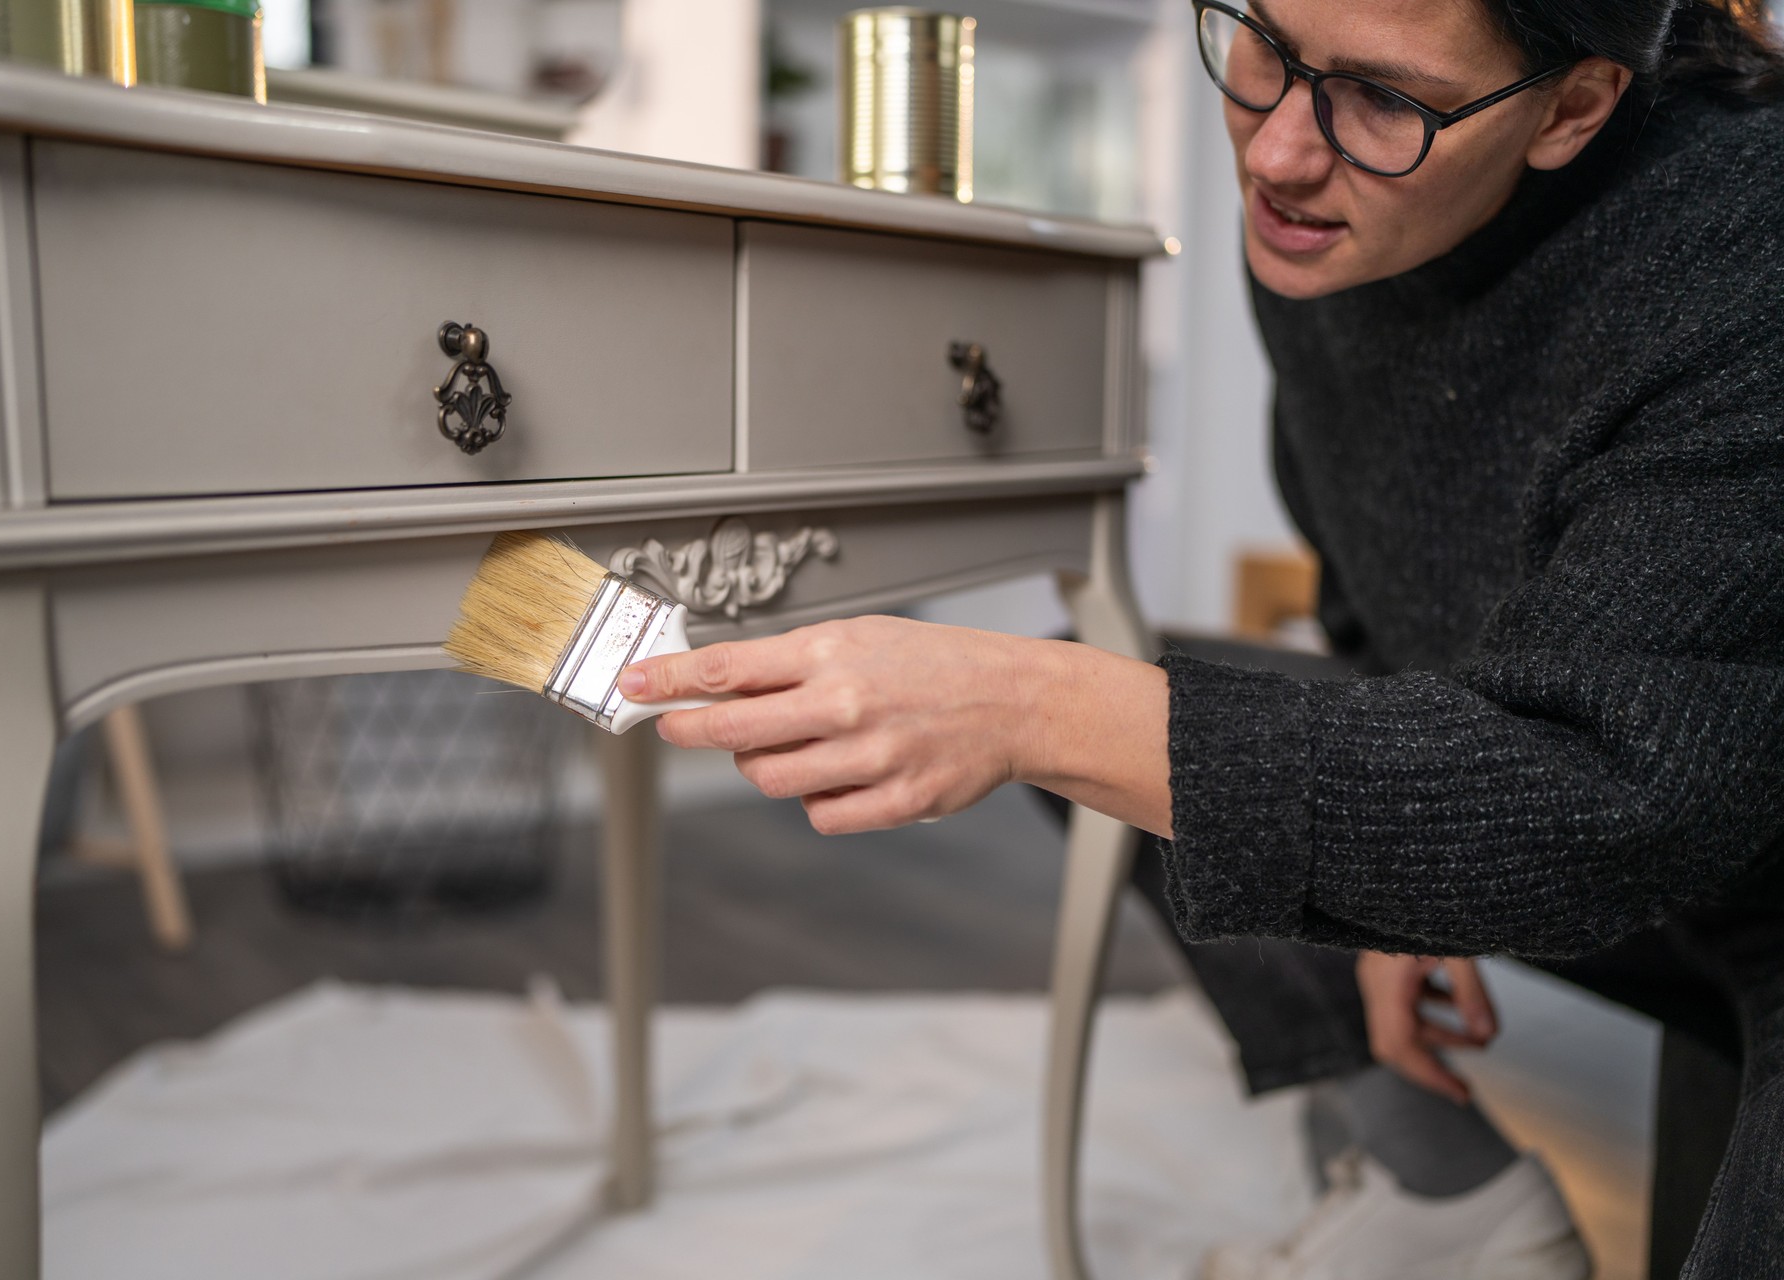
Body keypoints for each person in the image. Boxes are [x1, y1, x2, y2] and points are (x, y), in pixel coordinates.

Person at [617, 0, 1784, 1275]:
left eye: (1385, 99)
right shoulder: (1329, 222)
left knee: (1099, 713)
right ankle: (1444, 1194)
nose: (1277, 153)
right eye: (1264, 42)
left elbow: (1616, 796)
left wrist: (1029, 705)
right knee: (1140, 713)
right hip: (1615, 808)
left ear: (1572, 107)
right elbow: (1382, 599)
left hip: (1726, 847)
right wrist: (1404, 883)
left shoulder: (1743, 248)